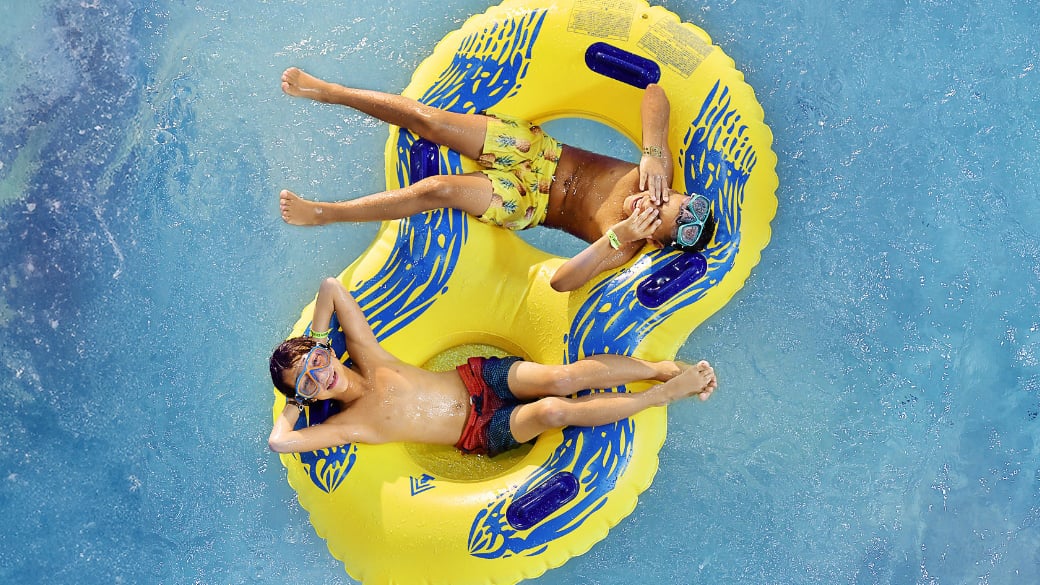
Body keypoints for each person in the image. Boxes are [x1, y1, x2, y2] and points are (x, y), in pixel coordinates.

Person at [277, 67, 717, 292]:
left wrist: (617, 236)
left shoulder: (625, 246)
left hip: (527, 202)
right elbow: (655, 94)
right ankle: (330, 91)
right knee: (426, 121)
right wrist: (654, 151)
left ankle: (325, 213)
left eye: (658, 217)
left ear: (656, 241)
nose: (653, 203)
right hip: (538, 151)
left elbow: (562, 281)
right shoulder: (657, 174)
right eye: (667, 198)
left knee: (438, 190)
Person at [268, 277, 718, 456]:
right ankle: (658, 395)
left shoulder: (369, 357)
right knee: (552, 412)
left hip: (476, 378)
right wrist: (295, 399)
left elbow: (330, 288)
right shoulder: (351, 425)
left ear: (325, 350)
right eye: (309, 380)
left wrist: (320, 338)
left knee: (559, 379)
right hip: (479, 431)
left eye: (318, 360)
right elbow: (279, 442)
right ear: (309, 394)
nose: (321, 372)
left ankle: (656, 368)